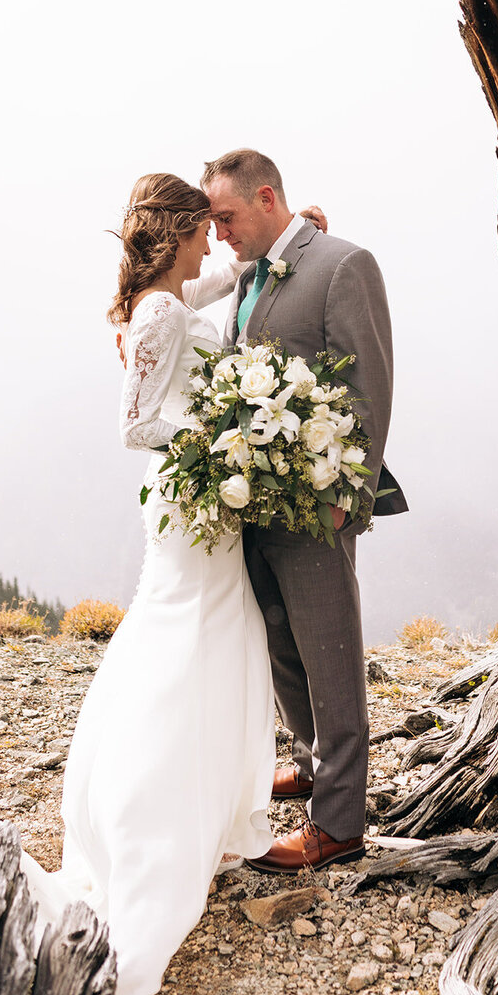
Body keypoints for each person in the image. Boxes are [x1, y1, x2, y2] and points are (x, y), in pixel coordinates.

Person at [0, 172, 326, 995]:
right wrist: (223, 432)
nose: (213, 245)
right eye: (205, 230)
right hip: (192, 495)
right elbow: (134, 424)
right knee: (186, 640)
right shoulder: (160, 313)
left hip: (204, 500)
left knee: (224, 637)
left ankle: (221, 817)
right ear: (180, 231)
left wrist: (292, 229)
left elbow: (226, 281)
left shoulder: (167, 301)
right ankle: (154, 827)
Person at [202, 148, 408, 873]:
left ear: (265, 198)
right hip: (255, 502)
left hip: (316, 508)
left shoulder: (344, 265)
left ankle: (340, 822)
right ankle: (309, 762)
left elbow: (369, 391)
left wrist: (346, 504)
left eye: (226, 217)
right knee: (281, 644)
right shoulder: (250, 275)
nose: (220, 232)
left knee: (330, 655)